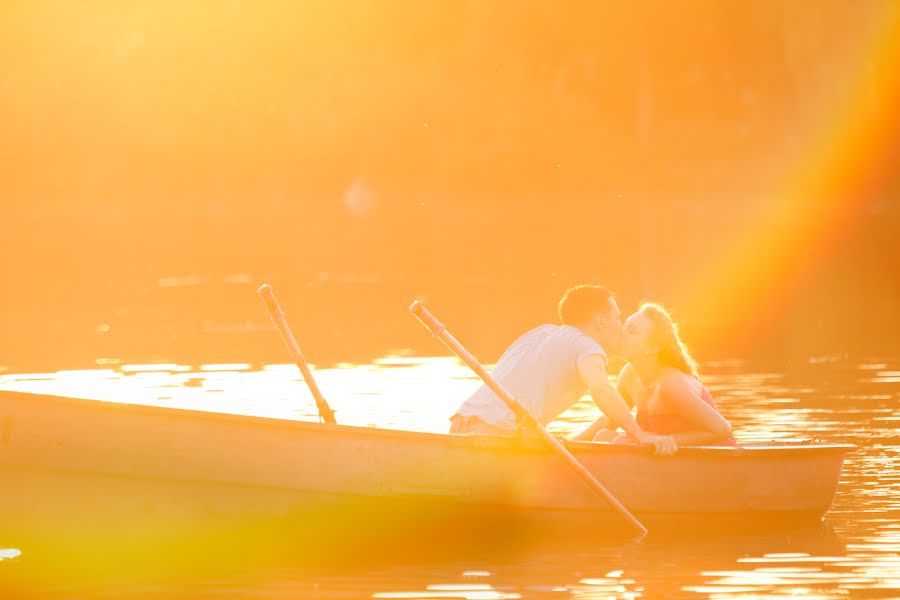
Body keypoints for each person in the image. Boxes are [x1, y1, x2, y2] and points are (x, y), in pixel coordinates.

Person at [449, 285, 678, 455]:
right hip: (492, 437)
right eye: (617, 318)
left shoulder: (541, 333)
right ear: (600, 321)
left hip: (459, 427)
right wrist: (641, 436)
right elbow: (601, 390)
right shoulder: (587, 347)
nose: (620, 327)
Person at [579, 302, 735, 446]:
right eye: (625, 327)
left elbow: (723, 430)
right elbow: (611, 419)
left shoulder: (670, 384)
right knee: (604, 436)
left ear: (652, 348)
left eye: (632, 331)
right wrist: (566, 443)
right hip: (671, 464)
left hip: (718, 462)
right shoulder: (629, 376)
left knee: (614, 441)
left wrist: (666, 440)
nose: (621, 333)